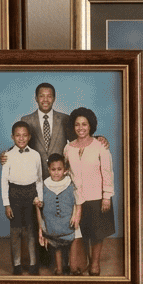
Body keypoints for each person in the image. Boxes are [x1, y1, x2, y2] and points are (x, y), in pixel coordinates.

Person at [63, 107, 113, 275]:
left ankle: (95, 263)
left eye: (84, 124)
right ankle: (83, 261)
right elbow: (66, 172)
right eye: (77, 124)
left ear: (90, 125)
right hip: (77, 199)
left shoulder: (100, 146)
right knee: (82, 232)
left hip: (97, 196)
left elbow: (107, 172)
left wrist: (107, 196)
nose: (81, 128)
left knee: (97, 234)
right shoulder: (68, 148)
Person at [0, 121, 42, 275]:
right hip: (15, 194)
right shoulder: (7, 156)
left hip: (31, 194)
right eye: (18, 135)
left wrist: (39, 198)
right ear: (12, 137)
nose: (21, 138)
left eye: (24, 135)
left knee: (31, 230)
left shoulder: (36, 155)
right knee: (16, 231)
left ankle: (33, 264)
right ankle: (16, 264)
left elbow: (39, 179)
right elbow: (4, 181)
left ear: (29, 137)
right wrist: (7, 204)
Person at [38, 154, 80, 276]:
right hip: (52, 222)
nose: (56, 173)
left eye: (59, 169)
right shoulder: (45, 184)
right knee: (56, 245)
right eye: (53, 169)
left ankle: (72, 267)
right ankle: (59, 269)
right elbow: (40, 204)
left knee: (72, 240)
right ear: (48, 169)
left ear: (65, 170)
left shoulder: (70, 183)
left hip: (68, 221)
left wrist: (74, 214)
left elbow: (76, 201)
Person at [20, 83, 71, 161]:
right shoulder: (26, 120)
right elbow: (20, 143)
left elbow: (77, 142)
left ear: (54, 98)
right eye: (42, 96)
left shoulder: (65, 119)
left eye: (49, 96)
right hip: (35, 167)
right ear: (36, 98)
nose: (45, 100)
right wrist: (7, 154)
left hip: (59, 168)